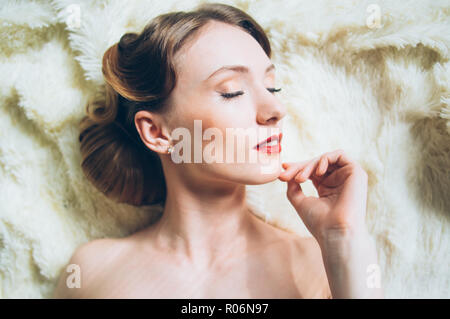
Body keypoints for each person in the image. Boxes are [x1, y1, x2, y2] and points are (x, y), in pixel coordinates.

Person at [53, 2, 383, 299]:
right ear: (157, 132)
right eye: (232, 92)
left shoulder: (319, 266)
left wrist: (344, 242)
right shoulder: (92, 273)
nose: (276, 108)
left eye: (272, 86)